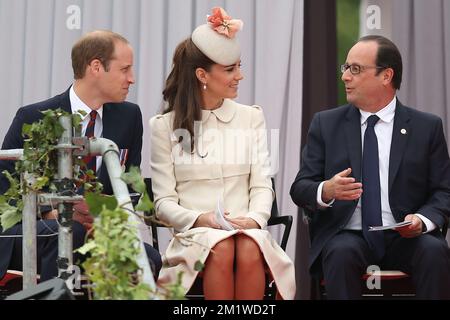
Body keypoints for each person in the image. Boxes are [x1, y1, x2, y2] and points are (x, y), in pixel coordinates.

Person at [150, 7, 296, 300]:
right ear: (202, 75)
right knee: (223, 246)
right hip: (195, 237)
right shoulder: (163, 126)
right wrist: (203, 219)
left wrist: (255, 219)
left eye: (239, 66)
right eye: (230, 69)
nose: (239, 76)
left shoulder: (251, 117)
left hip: (248, 231)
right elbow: (163, 204)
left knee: (246, 246)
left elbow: (261, 184)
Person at [290, 35, 450, 299]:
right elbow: (301, 188)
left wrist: (421, 221)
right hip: (349, 235)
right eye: (346, 68)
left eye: (355, 69)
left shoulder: (426, 127)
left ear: (386, 76)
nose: (345, 77)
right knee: (340, 254)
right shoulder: (326, 124)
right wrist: (326, 190)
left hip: (406, 236)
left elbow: (443, 191)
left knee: (434, 252)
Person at [0, 30, 161, 282]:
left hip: (98, 229)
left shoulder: (129, 117)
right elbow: (4, 193)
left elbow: (130, 186)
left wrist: (104, 217)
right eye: (125, 69)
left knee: (149, 259)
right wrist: (55, 211)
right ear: (96, 67)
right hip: (33, 231)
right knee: (68, 232)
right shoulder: (33, 117)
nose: (132, 79)